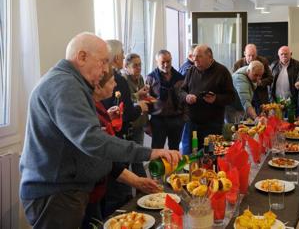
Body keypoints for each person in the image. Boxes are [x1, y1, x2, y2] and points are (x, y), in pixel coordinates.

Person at [19, 32, 181, 229]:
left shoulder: (71, 83)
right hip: (56, 194)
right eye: (103, 62)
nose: (106, 69)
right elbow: (92, 140)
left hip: (65, 192)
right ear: (81, 57)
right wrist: (150, 152)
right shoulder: (64, 84)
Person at [83, 66, 159, 228]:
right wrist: (150, 154)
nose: (115, 86)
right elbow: (104, 150)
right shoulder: (88, 108)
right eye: (112, 83)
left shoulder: (97, 106)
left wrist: (109, 119)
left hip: (97, 187)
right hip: (87, 191)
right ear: (98, 87)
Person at [101, 40, 151, 217]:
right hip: (116, 142)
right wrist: (140, 107)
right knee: (119, 195)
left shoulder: (120, 80)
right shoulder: (119, 79)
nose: (114, 86)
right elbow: (128, 111)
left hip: (114, 143)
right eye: (122, 53)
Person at [180, 44, 235, 154]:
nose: (195, 59)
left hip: (212, 124)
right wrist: (186, 97)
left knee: (209, 156)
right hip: (192, 122)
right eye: (193, 56)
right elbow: (181, 91)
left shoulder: (222, 71)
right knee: (189, 156)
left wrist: (216, 99)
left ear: (210, 57)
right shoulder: (191, 70)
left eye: (199, 56)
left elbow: (231, 97)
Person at [146, 50, 186, 150]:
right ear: (157, 62)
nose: (166, 65)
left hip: (176, 119)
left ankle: (175, 167)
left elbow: (184, 100)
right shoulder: (151, 78)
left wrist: (184, 119)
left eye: (168, 61)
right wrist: (146, 124)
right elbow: (145, 102)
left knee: (175, 150)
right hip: (158, 120)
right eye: (162, 62)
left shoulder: (180, 78)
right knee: (156, 150)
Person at [121, 53, 150, 177]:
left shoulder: (140, 78)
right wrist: (138, 94)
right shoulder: (123, 80)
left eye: (140, 65)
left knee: (138, 157)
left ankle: (141, 188)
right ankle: (136, 190)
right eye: (135, 65)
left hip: (140, 122)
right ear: (126, 67)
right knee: (128, 159)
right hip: (129, 125)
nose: (139, 68)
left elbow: (140, 98)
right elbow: (124, 101)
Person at [233, 44, 273, 109]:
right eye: (249, 55)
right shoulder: (238, 64)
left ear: (256, 54)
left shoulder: (263, 61)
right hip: (245, 94)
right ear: (244, 53)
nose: (251, 58)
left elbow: (270, 78)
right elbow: (235, 82)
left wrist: (260, 82)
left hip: (260, 95)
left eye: (253, 55)